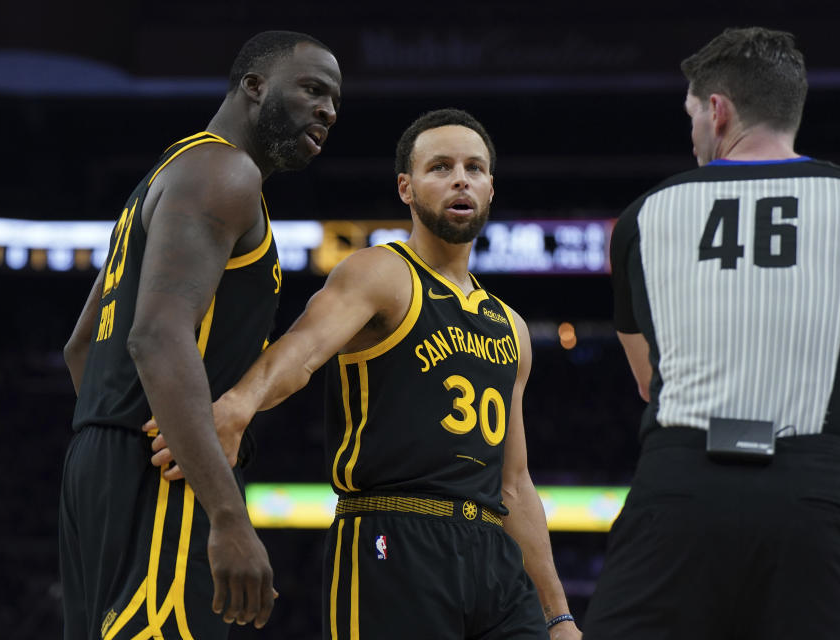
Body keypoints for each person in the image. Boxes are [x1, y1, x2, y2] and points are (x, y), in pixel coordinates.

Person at [148, 108, 581, 639]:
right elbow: (302, 350)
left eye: (474, 167)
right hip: (395, 534)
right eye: (440, 167)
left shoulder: (509, 326)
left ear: (491, 188)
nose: (460, 178)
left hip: (493, 552)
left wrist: (558, 615)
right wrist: (236, 407)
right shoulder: (383, 273)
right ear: (406, 187)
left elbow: (514, 483)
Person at [58, 30, 341, 639]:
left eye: (335, 101)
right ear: (254, 86)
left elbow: (81, 346)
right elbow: (157, 339)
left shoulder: (169, 175)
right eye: (313, 89)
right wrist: (227, 513)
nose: (327, 110)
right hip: (165, 475)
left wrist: (118, 442)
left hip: (101, 463)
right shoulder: (225, 173)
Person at [583, 27, 840, 639]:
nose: (693, 134)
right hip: (819, 491)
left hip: (681, 487)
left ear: (717, 109)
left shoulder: (645, 216)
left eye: (691, 116)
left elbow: (649, 381)